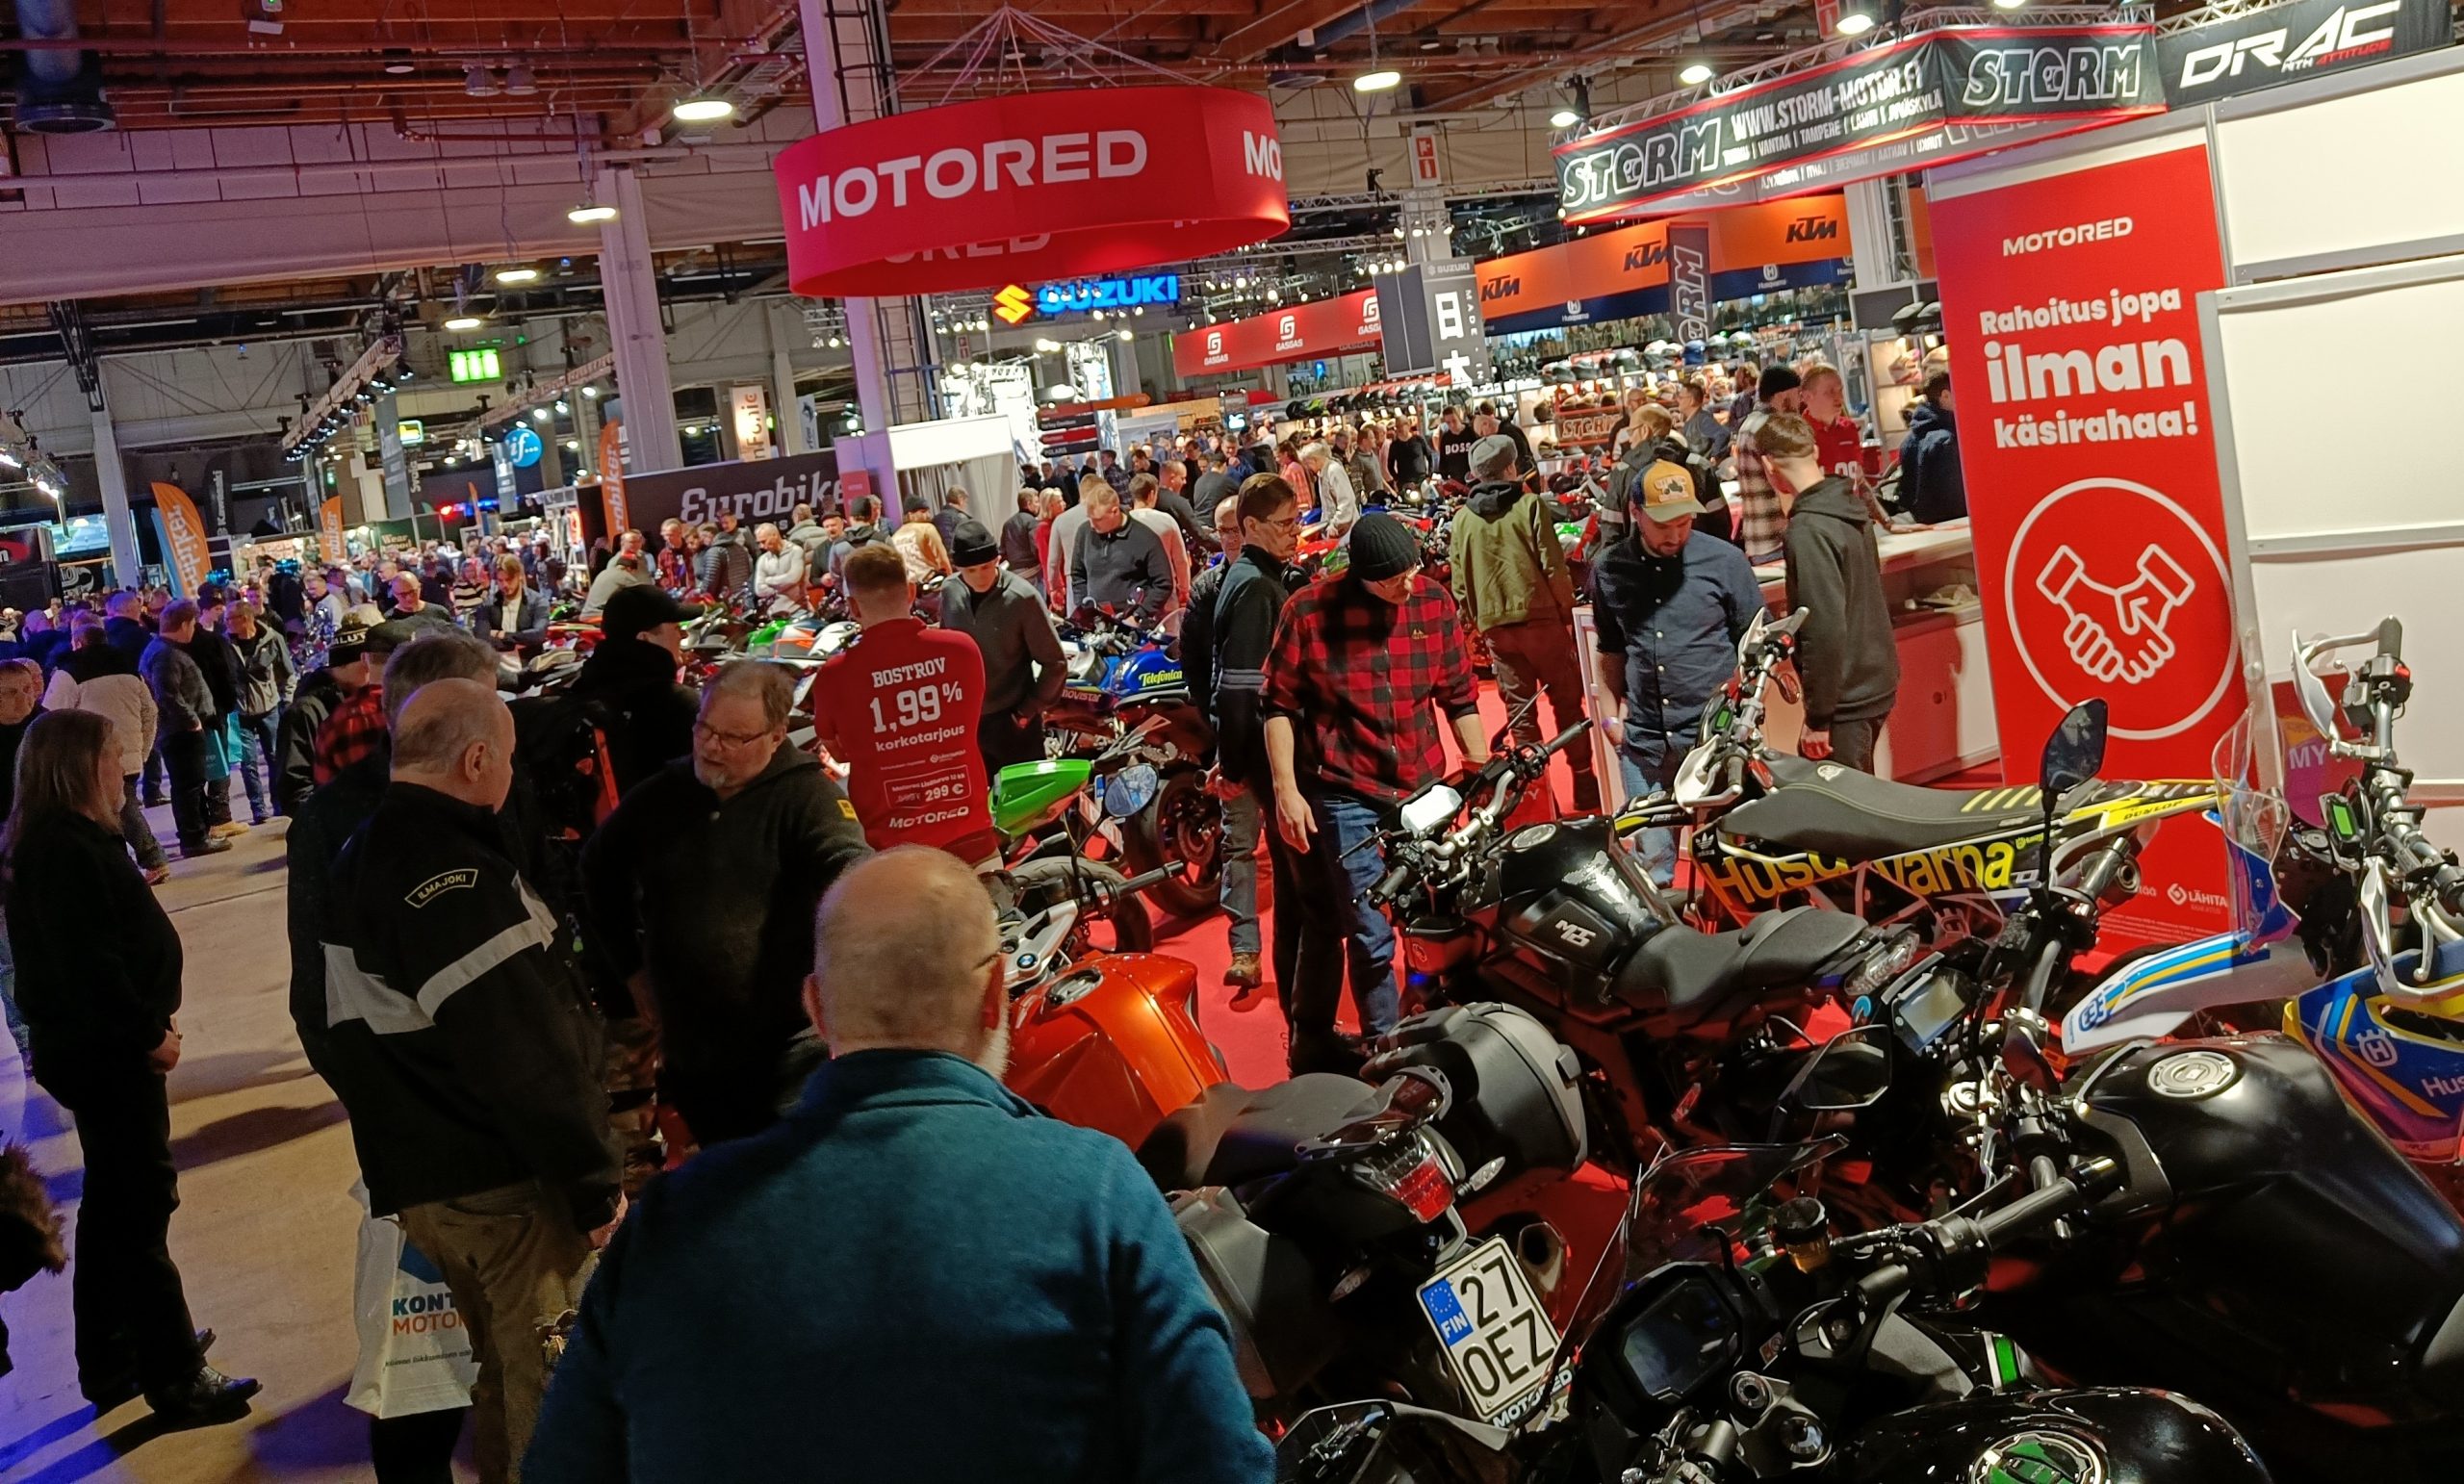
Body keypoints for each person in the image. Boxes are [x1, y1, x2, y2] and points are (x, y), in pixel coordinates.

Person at [526, 847, 1270, 1484]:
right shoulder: (1098, 1193)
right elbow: (1218, 1462)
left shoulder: (667, 1226)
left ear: (818, 1009)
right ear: (994, 996)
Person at [318, 678, 621, 1484]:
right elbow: (523, 1055)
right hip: (501, 1184)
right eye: (509, 759)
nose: (513, 777)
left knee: (493, 1378)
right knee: (548, 1392)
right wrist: (595, 1187)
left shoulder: (363, 852)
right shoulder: (451, 878)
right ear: (477, 759)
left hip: (427, 1178)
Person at [5, 708, 261, 1424]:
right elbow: (89, 967)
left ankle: (112, 1356)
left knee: (117, 1204)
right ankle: (174, 1374)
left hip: (103, 1049)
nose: (124, 767)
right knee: (141, 1207)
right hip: (108, 1054)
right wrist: (149, 1034)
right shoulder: (63, 849)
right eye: (112, 753)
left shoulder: (69, 838)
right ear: (78, 765)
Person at [580, 663, 870, 1147]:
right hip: (693, 1050)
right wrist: (630, 969)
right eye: (705, 728)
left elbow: (849, 867)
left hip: (786, 1055)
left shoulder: (807, 798)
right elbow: (598, 869)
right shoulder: (662, 794)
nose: (711, 747)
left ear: (775, 737)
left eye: (733, 737)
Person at [1263, 514, 1487, 1069]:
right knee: (1369, 930)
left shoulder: (1432, 602)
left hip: (1423, 785)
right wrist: (1287, 790)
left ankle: (1442, 1025)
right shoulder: (1308, 612)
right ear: (1360, 575)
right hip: (1346, 790)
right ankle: (1386, 1051)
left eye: (1412, 570)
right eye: (1392, 580)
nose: (1407, 585)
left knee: (1440, 912)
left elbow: (1460, 694)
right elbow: (1277, 705)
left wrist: (1479, 764)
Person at [1589, 460, 1767, 883]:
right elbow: (1611, 649)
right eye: (1662, 525)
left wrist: (1746, 716)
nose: (1675, 535)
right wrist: (1610, 717)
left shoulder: (1726, 561)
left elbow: (1755, 644)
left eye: (1684, 522)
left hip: (1715, 740)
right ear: (1635, 512)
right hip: (1644, 742)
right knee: (1652, 869)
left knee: (1731, 863)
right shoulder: (1609, 568)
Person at [1194, 477, 1307, 1005]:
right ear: (1253, 526)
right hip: (1263, 752)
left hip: (1252, 749)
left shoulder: (1257, 577)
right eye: (1286, 524)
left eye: (1297, 520)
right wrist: (1235, 764)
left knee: (1288, 879)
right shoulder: (1256, 586)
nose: (1295, 532)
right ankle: (1288, 994)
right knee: (1290, 883)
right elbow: (1238, 685)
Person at [809, 545, 995, 865]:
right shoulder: (963, 650)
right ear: (910, 592)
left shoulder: (834, 676)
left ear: (853, 607)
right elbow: (969, 720)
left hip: (893, 853)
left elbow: (838, 753)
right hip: (972, 835)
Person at [1449, 436, 1601, 813]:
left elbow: (1459, 582)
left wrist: (1478, 621)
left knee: (1520, 713)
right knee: (1567, 703)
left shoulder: (1463, 519)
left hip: (1497, 629)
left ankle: (1538, 794)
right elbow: (1553, 564)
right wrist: (1566, 611)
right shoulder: (1529, 505)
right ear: (1510, 467)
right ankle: (1584, 784)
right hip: (1541, 620)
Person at [1763, 412, 1899, 773]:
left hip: (1846, 695)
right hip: (1873, 678)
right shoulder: (1849, 507)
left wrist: (1819, 716)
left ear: (1768, 464)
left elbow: (1823, 627)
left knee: (1844, 800)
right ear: (1814, 452)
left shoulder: (1808, 528)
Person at [46, 616, 167, 883]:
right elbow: (150, 711)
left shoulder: (68, 672)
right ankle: (124, 869)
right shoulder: (130, 668)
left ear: (78, 642)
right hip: (130, 750)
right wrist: (143, 749)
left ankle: (152, 858)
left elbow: (53, 716)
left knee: (119, 810)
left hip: (92, 755)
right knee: (118, 810)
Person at [940, 520, 1066, 773]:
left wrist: (1026, 711)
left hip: (1013, 721)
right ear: (958, 568)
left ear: (998, 560)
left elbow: (1055, 662)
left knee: (1027, 795)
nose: (980, 576)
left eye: (986, 566)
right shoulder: (950, 592)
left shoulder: (1022, 597)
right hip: (968, 721)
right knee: (980, 796)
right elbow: (947, 652)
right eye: (970, 570)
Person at [567, 584, 702, 799]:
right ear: (645, 638)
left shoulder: (583, 687)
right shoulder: (680, 705)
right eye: (676, 628)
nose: (683, 635)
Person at [141, 601, 228, 860]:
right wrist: (192, 721)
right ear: (185, 624)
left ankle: (199, 833)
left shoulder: (161, 649)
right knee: (188, 786)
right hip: (181, 732)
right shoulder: (166, 654)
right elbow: (167, 693)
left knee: (190, 784)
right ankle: (194, 838)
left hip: (178, 731)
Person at [226, 601, 296, 825]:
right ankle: (258, 808)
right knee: (248, 763)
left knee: (275, 757)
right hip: (240, 712)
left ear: (245, 619)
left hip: (269, 708)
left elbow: (288, 673)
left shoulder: (272, 639)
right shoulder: (226, 643)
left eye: (230, 620)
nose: (226, 624)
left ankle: (279, 802)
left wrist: (287, 702)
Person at [0, 661, 39, 1045]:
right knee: (9, 959)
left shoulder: (44, 731)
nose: (23, 699)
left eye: (27, 689)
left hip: (45, 848)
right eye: (10, 693)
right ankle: (27, 1041)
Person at [1732, 365, 1806, 567]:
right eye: (1797, 394)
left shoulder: (1748, 425)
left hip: (1758, 540)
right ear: (1782, 396)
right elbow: (1787, 487)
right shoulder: (1773, 428)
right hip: (1779, 540)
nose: (1800, 401)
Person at [1070, 484, 1170, 626]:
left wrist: (1139, 615)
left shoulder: (1145, 538)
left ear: (1115, 511)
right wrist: (1084, 608)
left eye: (1098, 519)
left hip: (1132, 622)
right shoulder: (1084, 532)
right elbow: (1078, 574)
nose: (1092, 525)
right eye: (1089, 518)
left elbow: (1163, 583)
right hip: (1095, 621)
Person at [1896, 369, 1966, 525]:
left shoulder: (1909, 441)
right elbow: (1956, 499)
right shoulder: (1947, 440)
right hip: (1953, 526)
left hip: (1925, 526)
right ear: (1945, 396)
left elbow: (1906, 493)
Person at [1126, 473, 1193, 617]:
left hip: (1133, 596)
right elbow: (1180, 560)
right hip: (1166, 595)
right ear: (1152, 494)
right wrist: (1184, 590)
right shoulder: (1166, 521)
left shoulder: (1124, 524)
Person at [1798, 361, 1868, 484]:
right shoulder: (1797, 434)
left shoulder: (1849, 428)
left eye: (1840, 390)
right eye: (1830, 392)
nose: (1839, 398)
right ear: (1807, 396)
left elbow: (1859, 477)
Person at [474, 554, 552, 654]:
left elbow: (538, 634)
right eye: (500, 580)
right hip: (497, 661)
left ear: (519, 576)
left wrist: (502, 634)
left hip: (529, 661)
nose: (504, 585)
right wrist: (517, 641)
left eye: (509, 579)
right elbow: (481, 637)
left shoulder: (538, 602)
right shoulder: (488, 603)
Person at [1042, 479, 1096, 615]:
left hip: (1073, 578)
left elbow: (1052, 561)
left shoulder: (1061, 520)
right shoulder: (1102, 514)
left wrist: (1054, 588)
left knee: (1079, 620)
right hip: (1103, 574)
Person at [826, 496, 894, 592]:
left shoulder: (838, 544)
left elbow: (835, 576)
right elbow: (897, 567)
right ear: (870, 517)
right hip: (880, 594)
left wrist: (846, 591)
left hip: (852, 595)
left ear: (851, 518)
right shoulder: (882, 540)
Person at [1298, 441, 1359, 540]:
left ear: (1313, 460)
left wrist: (1335, 524)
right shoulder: (1322, 472)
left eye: (1307, 464)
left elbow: (1346, 501)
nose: (1308, 468)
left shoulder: (1334, 470)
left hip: (1345, 532)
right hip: (1334, 530)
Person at [891, 492, 954, 586]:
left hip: (909, 587)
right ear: (910, 514)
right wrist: (950, 580)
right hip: (932, 583)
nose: (928, 515)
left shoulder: (895, 537)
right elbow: (942, 559)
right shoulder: (927, 529)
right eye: (923, 512)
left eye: (928, 511)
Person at [750, 523, 808, 617]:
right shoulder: (762, 559)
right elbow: (759, 589)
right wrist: (783, 587)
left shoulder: (796, 551)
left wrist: (768, 581)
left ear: (775, 535)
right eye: (759, 542)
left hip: (797, 611)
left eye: (764, 541)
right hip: (773, 614)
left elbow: (793, 578)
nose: (761, 546)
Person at [580, 550, 650, 621]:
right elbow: (641, 595)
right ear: (630, 568)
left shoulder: (603, 573)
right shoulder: (625, 576)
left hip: (585, 615)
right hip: (600, 616)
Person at [387, 572, 459, 636]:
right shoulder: (389, 620)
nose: (409, 598)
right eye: (403, 594)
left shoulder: (439, 612)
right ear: (395, 594)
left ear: (420, 588)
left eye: (412, 592)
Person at [1679, 377, 1731, 463]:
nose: (1678, 400)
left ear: (1692, 400)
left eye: (1681, 397)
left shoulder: (1702, 419)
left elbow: (1723, 434)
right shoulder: (1694, 418)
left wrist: (1714, 457)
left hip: (1702, 468)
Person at [1000, 489, 1045, 590]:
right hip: (1032, 572)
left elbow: (1002, 550)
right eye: (1036, 502)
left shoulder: (1007, 524)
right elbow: (1036, 548)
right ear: (1028, 504)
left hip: (1014, 574)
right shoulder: (1032, 522)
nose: (1038, 505)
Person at [1191, 449, 1238, 525]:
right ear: (1224, 465)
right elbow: (1241, 495)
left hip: (1197, 523)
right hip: (1212, 524)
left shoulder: (1199, 481)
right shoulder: (1225, 481)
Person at [1387, 416, 1434, 490]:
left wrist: (1429, 475)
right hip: (1404, 483)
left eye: (1402, 425)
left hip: (1421, 481)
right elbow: (1390, 465)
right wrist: (1397, 478)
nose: (1400, 429)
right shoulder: (1394, 445)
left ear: (1408, 425)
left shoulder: (1418, 440)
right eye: (1397, 426)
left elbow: (1430, 456)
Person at [1434, 404, 1477, 484]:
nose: (1452, 425)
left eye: (1454, 421)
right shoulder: (1445, 438)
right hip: (1455, 480)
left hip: (1472, 478)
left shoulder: (1471, 433)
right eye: (1448, 423)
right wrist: (1444, 478)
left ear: (1458, 417)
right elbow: (1443, 460)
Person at [931, 487, 971, 552]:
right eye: (966, 502)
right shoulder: (961, 518)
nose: (965, 506)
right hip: (958, 556)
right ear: (960, 499)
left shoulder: (935, 518)